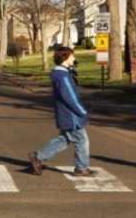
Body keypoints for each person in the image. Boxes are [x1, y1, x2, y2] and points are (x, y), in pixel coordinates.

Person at [28, 47, 97, 177]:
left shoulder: (62, 73)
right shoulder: (63, 76)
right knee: (82, 140)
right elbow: (69, 96)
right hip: (71, 115)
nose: (74, 59)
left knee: (64, 140)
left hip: (65, 114)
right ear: (65, 58)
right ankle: (81, 168)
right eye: (72, 56)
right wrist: (82, 111)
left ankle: (38, 157)